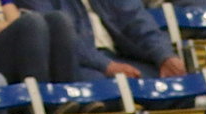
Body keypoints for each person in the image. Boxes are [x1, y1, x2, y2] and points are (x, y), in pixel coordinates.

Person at [18, 0, 185, 81]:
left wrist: (164, 56)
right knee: (99, 85)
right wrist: (106, 66)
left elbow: (136, 20)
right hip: (78, 65)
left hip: (122, 57)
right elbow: (57, 38)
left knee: (177, 83)